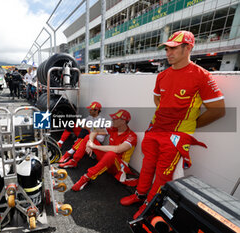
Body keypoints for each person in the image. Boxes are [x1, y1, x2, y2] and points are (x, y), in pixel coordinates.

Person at [120, 30, 225, 219]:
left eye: (174, 49)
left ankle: (149, 207)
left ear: (188, 48)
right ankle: (140, 195)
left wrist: (188, 125)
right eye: (167, 49)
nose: (168, 53)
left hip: (175, 136)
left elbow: (218, 110)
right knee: (147, 165)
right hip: (155, 130)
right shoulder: (162, 75)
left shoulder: (202, 76)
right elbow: (158, 100)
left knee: (163, 175)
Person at [65, 109, 138, 192]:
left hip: (119, 167)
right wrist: (90, 142)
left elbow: (118, 149)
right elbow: (94, 131)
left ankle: (86, 178)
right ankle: (74, 161)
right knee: (88, 137)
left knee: (111, 154)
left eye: (115, 119)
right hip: (107, 159)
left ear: (123, 121)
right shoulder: (114, 129)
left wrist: (94, 146)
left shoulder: (132, 136)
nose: (112, 120)